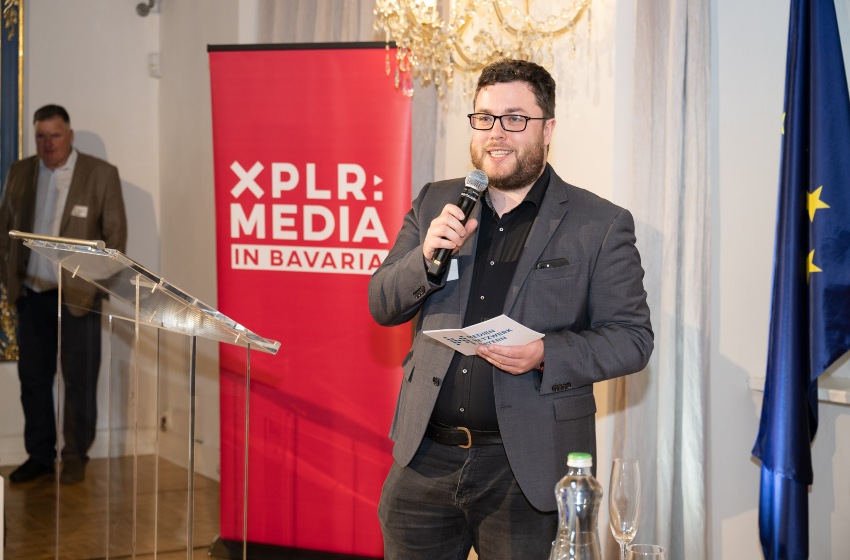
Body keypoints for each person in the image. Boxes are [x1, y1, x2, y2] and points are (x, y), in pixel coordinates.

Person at [368, 59, 654, 559]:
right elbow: (382, 303)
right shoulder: (437, 202)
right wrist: (426, 259)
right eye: (484, 118)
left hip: (528, 470)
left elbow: (632, 339)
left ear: (548, 129)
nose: (496, 133)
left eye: (515, 119)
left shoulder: (599, 224)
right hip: (424, 461)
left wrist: (545, 353)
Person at [0, 104, 127, 485]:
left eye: (55, 136)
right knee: (33, 380)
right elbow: (5, 229)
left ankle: (75, 456)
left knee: (80, 380)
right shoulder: (21, 172)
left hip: (78, 299)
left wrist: (91, 284)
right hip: (31, 294)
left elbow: (115, 240)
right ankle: (39, 455)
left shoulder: (100, 174)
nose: (48, 144)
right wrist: (9, 280)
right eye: (40, 136)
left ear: (69, 135)